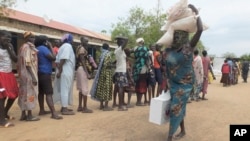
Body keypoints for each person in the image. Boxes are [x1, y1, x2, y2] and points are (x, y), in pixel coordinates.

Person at [161, 4, 203, 141]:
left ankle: (169, 136)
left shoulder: (188, 48)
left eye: (181, 36)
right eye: (176, 36)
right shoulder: (168, 52)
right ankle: (183, 130)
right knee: (179, 107)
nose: (178, 38)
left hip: (185, 85)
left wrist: (196, 13)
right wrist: (167, 81)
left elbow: (200, 30)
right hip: (173, 83)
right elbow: (167, 68)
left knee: (175, 108)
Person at [35, 35, 63, 120]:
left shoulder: (37, 48)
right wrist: (51, 47)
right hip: (45, 73)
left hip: (39, 73)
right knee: (49, 93)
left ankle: (42, 110)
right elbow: (54, 57)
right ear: (45, 42)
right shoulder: (44, 49)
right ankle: (54, 113)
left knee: (41, 92)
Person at [18, 31, 40, 121]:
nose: (33, 39)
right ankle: (30, 115)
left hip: (23, 75)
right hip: (29, 75)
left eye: (34, 37)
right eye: (31, 37)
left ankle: (23, 114)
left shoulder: (22, 47)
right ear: (26, 38)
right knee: (30, 93)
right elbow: (28, 64)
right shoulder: (28, 48)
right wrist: (34, 77)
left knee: (23, 94)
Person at [53, 33, 75, 115]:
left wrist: (59, 70)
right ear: (68, 39)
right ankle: (64, 109)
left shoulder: (62, 47)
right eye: (72, 39)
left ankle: (63, 107)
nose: (73, 41)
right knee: (65, 89)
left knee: (64, 89)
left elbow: (58, 60)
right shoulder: (67, 46)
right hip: (65, 71)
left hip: (64, 70)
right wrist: (60, 70)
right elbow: (63, 59)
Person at [0, 30, 18, 127]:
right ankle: (1, 121)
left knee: (14, 94)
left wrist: (8, 48)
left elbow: (15, 59)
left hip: (9, 74)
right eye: (6, 37)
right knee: (2, 97)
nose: (8, 39)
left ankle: (4, 113)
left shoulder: (9, 46)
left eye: (10, 38)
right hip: (0, 75)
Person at [90, 43, 113, 111]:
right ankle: (106, 106)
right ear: (108, 48)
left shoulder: (102, 54)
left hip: (101, 73)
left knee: (102, 88)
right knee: (107, 88)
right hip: (107, 73)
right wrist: (113, 65)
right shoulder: (108, 54)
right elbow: (107, 65)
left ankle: (101, 105)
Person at [75, 37, 93, 113]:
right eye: (86, 41)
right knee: (85, 89)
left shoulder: (78, 48)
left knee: (81, 89)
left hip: (79, 69)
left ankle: (80, 106)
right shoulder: (82, 49)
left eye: (87, 41)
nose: (87, 43)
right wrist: (87, 73)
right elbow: (82, 61)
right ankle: (85, 107)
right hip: (82, 69)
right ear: (81, 41)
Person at [131, 38, 149, 106]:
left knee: (137, 83)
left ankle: (138, 101)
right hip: (142, 67)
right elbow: (146, 59)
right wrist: (149, 68)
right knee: (142, 84)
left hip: (136, 67)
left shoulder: (135, 48)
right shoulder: (145, 49)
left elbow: (128, 52)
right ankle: (139, 102)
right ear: (143, 42)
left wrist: (134, 59)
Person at [113, 36, 129, 111]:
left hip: (119, 71)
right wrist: (121, 38)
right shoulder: (119, 49)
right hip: (121, 71)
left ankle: (120, 103)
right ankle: (120, 106)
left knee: (118, 88)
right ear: (119, 43)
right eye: (121, 41)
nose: (123, 42)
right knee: (121, 88)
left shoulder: (119, 50)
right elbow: (127, 40)